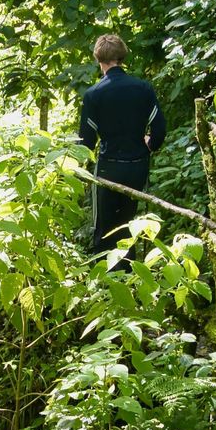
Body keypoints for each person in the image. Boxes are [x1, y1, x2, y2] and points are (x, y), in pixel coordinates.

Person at [79, 34, 166, 264]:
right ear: (122, 57)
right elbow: (159, 129)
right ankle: (131, 277)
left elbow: (86, 142)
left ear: (99, 59)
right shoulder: (143, 89)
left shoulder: (94, 94)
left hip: (108, 169)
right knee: (130, 224)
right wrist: (150, 145)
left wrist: (80, 169)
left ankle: (105, 281)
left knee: (103, 227)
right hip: (137, 166)